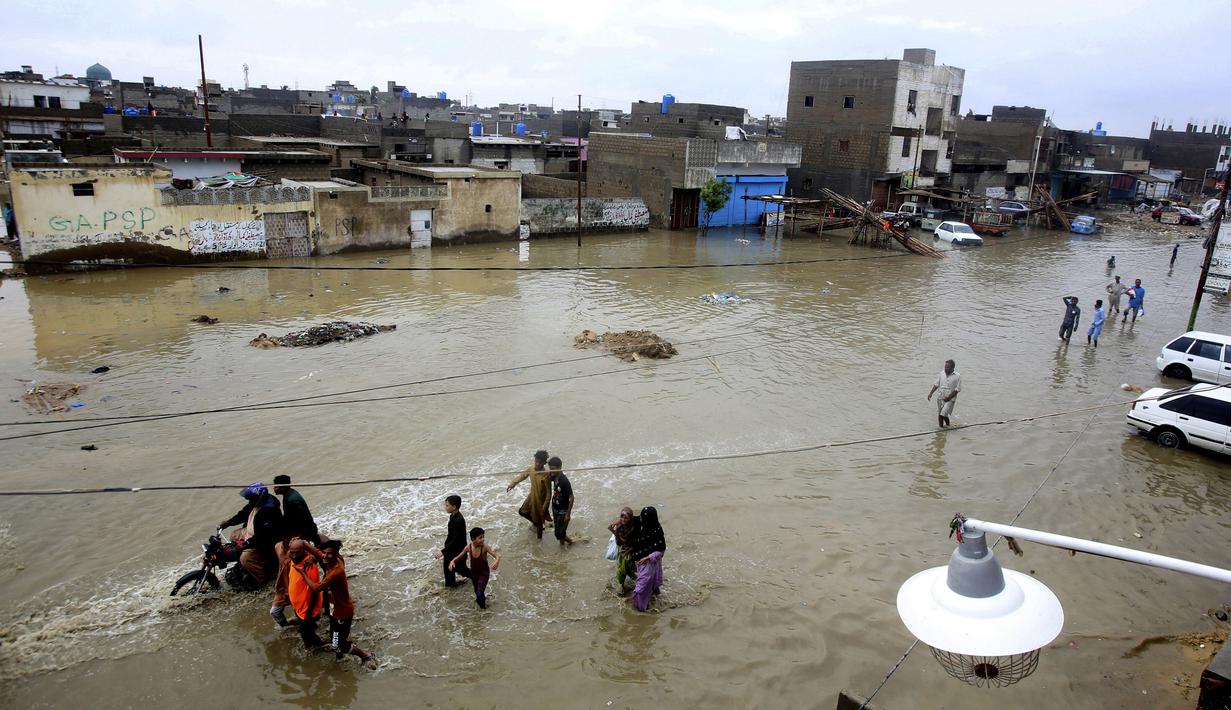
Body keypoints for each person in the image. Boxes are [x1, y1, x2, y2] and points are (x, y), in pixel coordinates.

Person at [291, 540, 376, 667]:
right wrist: (303, 543)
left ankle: (364, 654)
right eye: (324, 553)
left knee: (336, 643)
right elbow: (316, 552)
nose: (324, 556)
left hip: (342, 612)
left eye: (329, 554)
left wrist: (302, 572)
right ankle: (340, 656)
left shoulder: (335, 572)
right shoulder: (329, 559)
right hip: (333, 607)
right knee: (334, 637)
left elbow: (316, 588)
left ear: (336, 554)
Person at [269, 474, 320, 627]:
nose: (274, 488)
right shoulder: (288, 496)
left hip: (303, 532)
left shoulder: (292, 500)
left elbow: (302, 520)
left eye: (276, 486)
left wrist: (302, 540)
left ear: (283, 486)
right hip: (300, 531)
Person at [219, 483, 283, 587]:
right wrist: (228, 522)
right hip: (252, 532)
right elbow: (242, 514)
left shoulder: (269, 510)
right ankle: (246, 566)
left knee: (245, 558)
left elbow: (263, 535)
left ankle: (261, 581)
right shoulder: (255, 503)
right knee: (234, 535)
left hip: (265, 541)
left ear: (259, 497)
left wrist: (245, 544)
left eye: (251, 498)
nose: (249, 501)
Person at [286, 539, 325, 649]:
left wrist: (308, 614)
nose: (294, 555)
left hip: (307, 610)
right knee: (307, 630)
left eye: (297, 552)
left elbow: (315, 591)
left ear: (304, 551)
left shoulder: (308, 565)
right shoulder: (294, 560)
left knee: (306, 634)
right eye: (292, 552)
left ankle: (318, 647)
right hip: (299, 606)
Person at [449, 527, 501, 609]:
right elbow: (460, 556)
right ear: (473, 539)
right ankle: (482, 607)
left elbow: (496, 555)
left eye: (483, 537)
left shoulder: (484, 547)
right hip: (474, 574)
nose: (483, 539)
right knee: (478, 592)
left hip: (484, 573)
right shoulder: (468, 547)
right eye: (480, 538)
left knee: (479, 593)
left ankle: (484, 610)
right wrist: (452, 561)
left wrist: (497, 561)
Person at [628, 506, 666, 612]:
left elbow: (661, 550)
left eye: (646, 519)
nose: (643, 521)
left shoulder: (657, 530)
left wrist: (649, 557)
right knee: (648, 583)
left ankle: (640, 611)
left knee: (640, 588)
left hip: (649, 563)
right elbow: (628, 518)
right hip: (638, 562)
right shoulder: (639, 524)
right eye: (642, 518)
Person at [507, 449, 551, 539]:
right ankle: (536, 523)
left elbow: (549, 494)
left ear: (544, 463)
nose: (537, 464)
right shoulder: (531, 468)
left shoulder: (546, 475)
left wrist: (544, 507)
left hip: (540, 501)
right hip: (531, 497)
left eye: (540, 462)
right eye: (536, 461)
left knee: (539, 521)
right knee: (522, 511)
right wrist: (512, 484)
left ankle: (539, 541)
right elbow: (523, 475)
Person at [433, 495, 470, 587]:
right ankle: (451, 587)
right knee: (452, 570)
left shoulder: (459, 520)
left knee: (460, 570)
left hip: (457, 551)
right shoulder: (453, 516)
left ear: (454, 507)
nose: (445, 507)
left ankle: (478, 577)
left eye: (447, 505)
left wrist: (443, 551)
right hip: (453, 549)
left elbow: (456, 540)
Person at [607, 507, 638, 592]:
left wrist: (614, 531)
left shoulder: (632, 529)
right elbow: (620, 541)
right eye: (622, 517)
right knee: (625, 568)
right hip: (623, 551)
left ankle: (629, 584)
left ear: (630, 518)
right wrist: (615, 528)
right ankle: (625, 584)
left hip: (628, 552)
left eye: (626, 518)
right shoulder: (622, 526)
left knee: (623, 569)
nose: (623, 519)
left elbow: (624, 542)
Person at [547, 457, 574, 546]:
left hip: (563, 511)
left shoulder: (564, 481)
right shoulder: (554, 476)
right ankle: (562, 546)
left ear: (560, 467)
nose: (551, 471)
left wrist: (568, 514)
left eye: (553, 469)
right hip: (555, 508)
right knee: (559, 530)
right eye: (550, 468)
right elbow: (548, 478)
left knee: (558, 533)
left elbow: (571, 497)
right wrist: (548, 474)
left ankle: (571, 542)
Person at [926, 359, 961, 428]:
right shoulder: (942, 373)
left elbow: (957, 390)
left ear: (952, 368)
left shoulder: (958, 376)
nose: (945, 369)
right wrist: (931, 393)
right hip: (940, 397)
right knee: (940, 414)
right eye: (945, 367)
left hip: (950, 399)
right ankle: (941, 428)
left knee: (943, 414)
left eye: (947, 367)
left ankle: (947, 425)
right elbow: (936, 384)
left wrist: (948, 397)